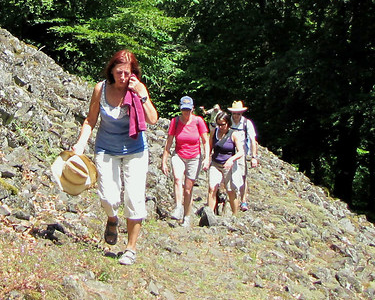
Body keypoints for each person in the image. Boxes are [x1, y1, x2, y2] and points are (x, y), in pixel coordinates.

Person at [70, 50, 159, 265]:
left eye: (127, 73)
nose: (123, 77)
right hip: (106, 148)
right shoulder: (100, 89)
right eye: (119, 72)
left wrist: (142, 94)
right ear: (111, 70)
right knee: (108, 197)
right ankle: (112, 218)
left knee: (134, 198)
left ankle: (130, 249)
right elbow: (90, 120)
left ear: (133, 73)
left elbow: (153, 119)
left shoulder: (137, 90)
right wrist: (80, 145)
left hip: (135, 149)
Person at [161, 96, 209, 225]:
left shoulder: (198, 121)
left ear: (192, 108)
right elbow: (169, 142)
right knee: (177, 179)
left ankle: (186, 216)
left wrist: (206, 158)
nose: (186, 112)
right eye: (184, 110)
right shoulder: (175, 121)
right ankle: (178, 207)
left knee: (188, 189)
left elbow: (205, 141)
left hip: (194, 157)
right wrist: (164, 161)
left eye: (188, 110)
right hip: (179, 155)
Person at [206, 111, 244, 216]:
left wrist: (231, 159)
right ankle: (209, 215)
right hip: (215, 164)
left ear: (228, 123)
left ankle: (235, 214)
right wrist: (207, 158)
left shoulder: (234, 134)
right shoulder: (214, 132)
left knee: (230, 190)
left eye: (222, 124)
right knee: (212, 188)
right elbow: (209, 146)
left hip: (228, 166)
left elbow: (241, 152)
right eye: (218, 124)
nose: (220, 127)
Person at [228, 101, 259, 212]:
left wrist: (254, 157)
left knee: (243, 176)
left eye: (238, 113)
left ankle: (243, 200)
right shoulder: (228, 121)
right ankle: (230, 198)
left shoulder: (247, 123)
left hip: (241, 153)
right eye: (234, 113)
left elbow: (252, 140)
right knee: (227, 175)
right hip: (228, 152)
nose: (236, 116)